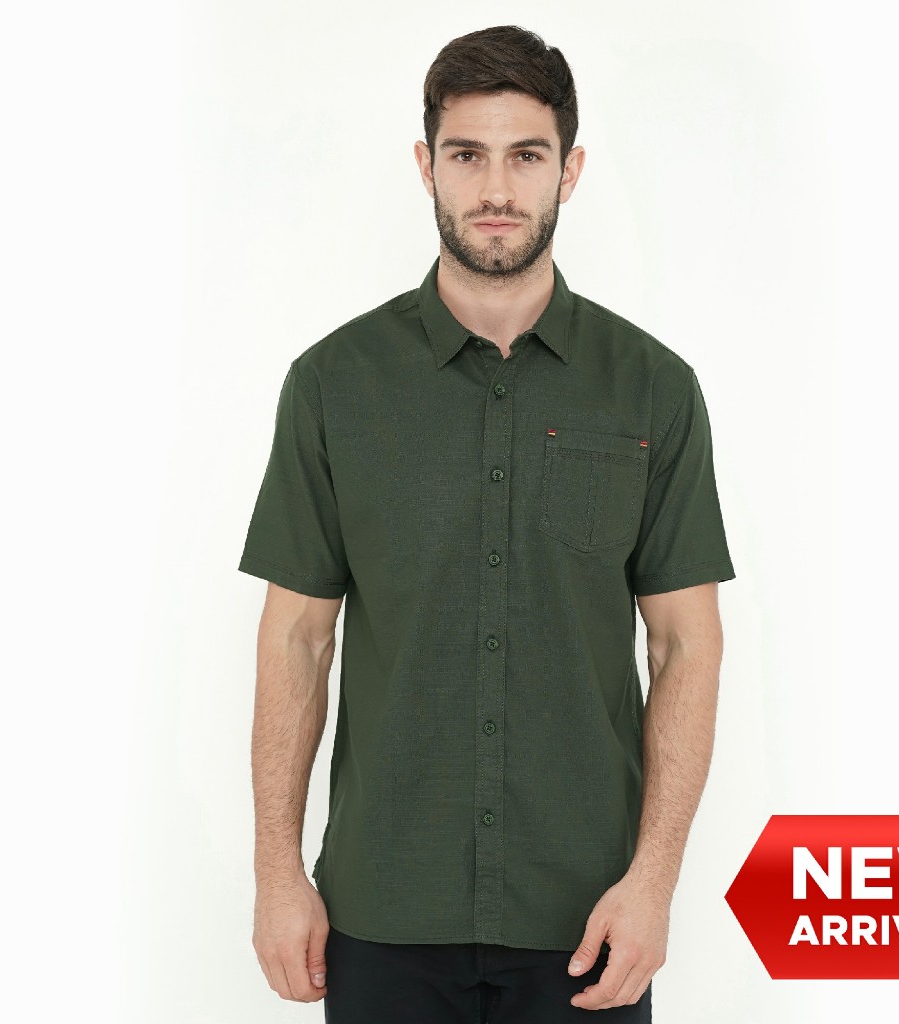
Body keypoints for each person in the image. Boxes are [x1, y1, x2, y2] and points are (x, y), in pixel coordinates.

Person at [238, 23, 735, 1023]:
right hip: (380, 911)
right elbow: (297, 636)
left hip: (586, 918)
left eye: (526, 155)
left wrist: (652, 883)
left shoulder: (653, 390)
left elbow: (685, 644)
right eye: (467, 154)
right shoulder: (333, 385)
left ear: (569, 171)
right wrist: (277, 873)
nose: (496, 188)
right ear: (427, 167)